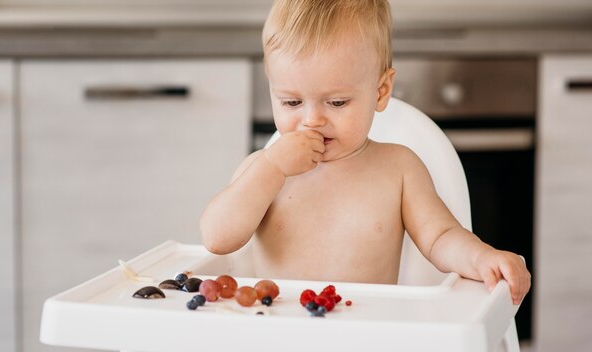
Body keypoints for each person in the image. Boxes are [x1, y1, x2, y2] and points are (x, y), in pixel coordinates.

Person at [200, 0, 530, 305]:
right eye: (291, 102)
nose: (312, 119)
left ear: (380, 91)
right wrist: (271, 166)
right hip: (278, 334)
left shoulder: (399, 169)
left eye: (337, 102)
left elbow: (441, 237)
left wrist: (482, 258)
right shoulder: (262, 170)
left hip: (369, 334)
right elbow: (217, 238)